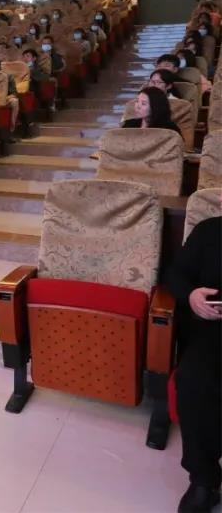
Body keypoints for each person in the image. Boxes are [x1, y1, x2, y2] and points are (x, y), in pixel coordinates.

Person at [166, 209, 221, 513]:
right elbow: (175, 274)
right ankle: (204, 479)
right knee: (193, 381)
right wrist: (191, 295)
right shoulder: (208, 230)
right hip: (212, 330)